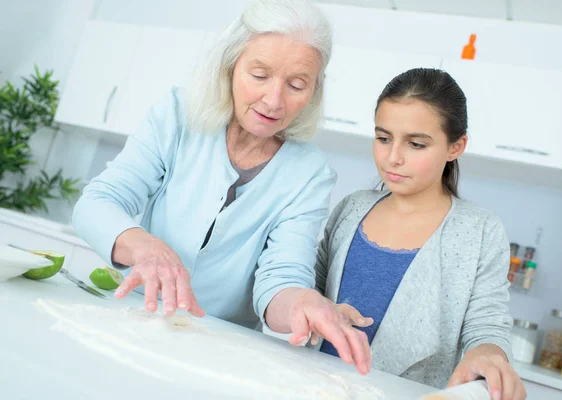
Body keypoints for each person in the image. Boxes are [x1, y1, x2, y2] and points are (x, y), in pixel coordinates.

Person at [72, 0, 371, 373]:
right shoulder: (178, 116)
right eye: (259, 75)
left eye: (296, 84)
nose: (274, 100)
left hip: (218, 354)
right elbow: (98, 203)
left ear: (314, 90)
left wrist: (302, 304)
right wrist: (145, 246)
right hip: (132, 321)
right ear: (229, 66)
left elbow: (281, 277)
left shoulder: (309, 174)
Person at [299, 68, 526, 399]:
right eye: (383, 138)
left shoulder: (479, 230)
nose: (393, 157)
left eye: (416, 144)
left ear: (456, 146)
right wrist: (320, 310)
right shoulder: (351, 208)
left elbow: (487, 324)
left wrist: (488, 352)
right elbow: (309, 289)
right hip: (314, 388)